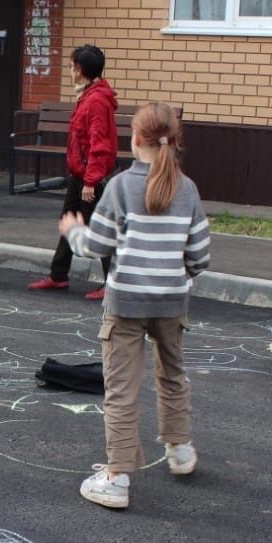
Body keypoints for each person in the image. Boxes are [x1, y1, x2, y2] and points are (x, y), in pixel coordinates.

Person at [59, 102, 210, 510]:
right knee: (173, 376)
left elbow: (98, 246)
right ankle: (179, 451)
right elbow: (200, 254)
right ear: (173, 142)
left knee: (121, 390)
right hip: (172, 301)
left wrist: (74, 232)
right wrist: (183, 277)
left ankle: (118, 477)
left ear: (135, 139)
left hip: (125, 302)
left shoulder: (122, 186)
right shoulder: (188, 188)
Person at [29, 44, 118, 299]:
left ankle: (112, 283)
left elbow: (99, 145)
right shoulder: (88, 96)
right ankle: (58, 275)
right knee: (69, 221)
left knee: (97, 226)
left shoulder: (97, 101)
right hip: (80, 174)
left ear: (79, 69)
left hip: (91, 178)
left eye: (70, 66)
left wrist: (91, 181)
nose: (69, 70)